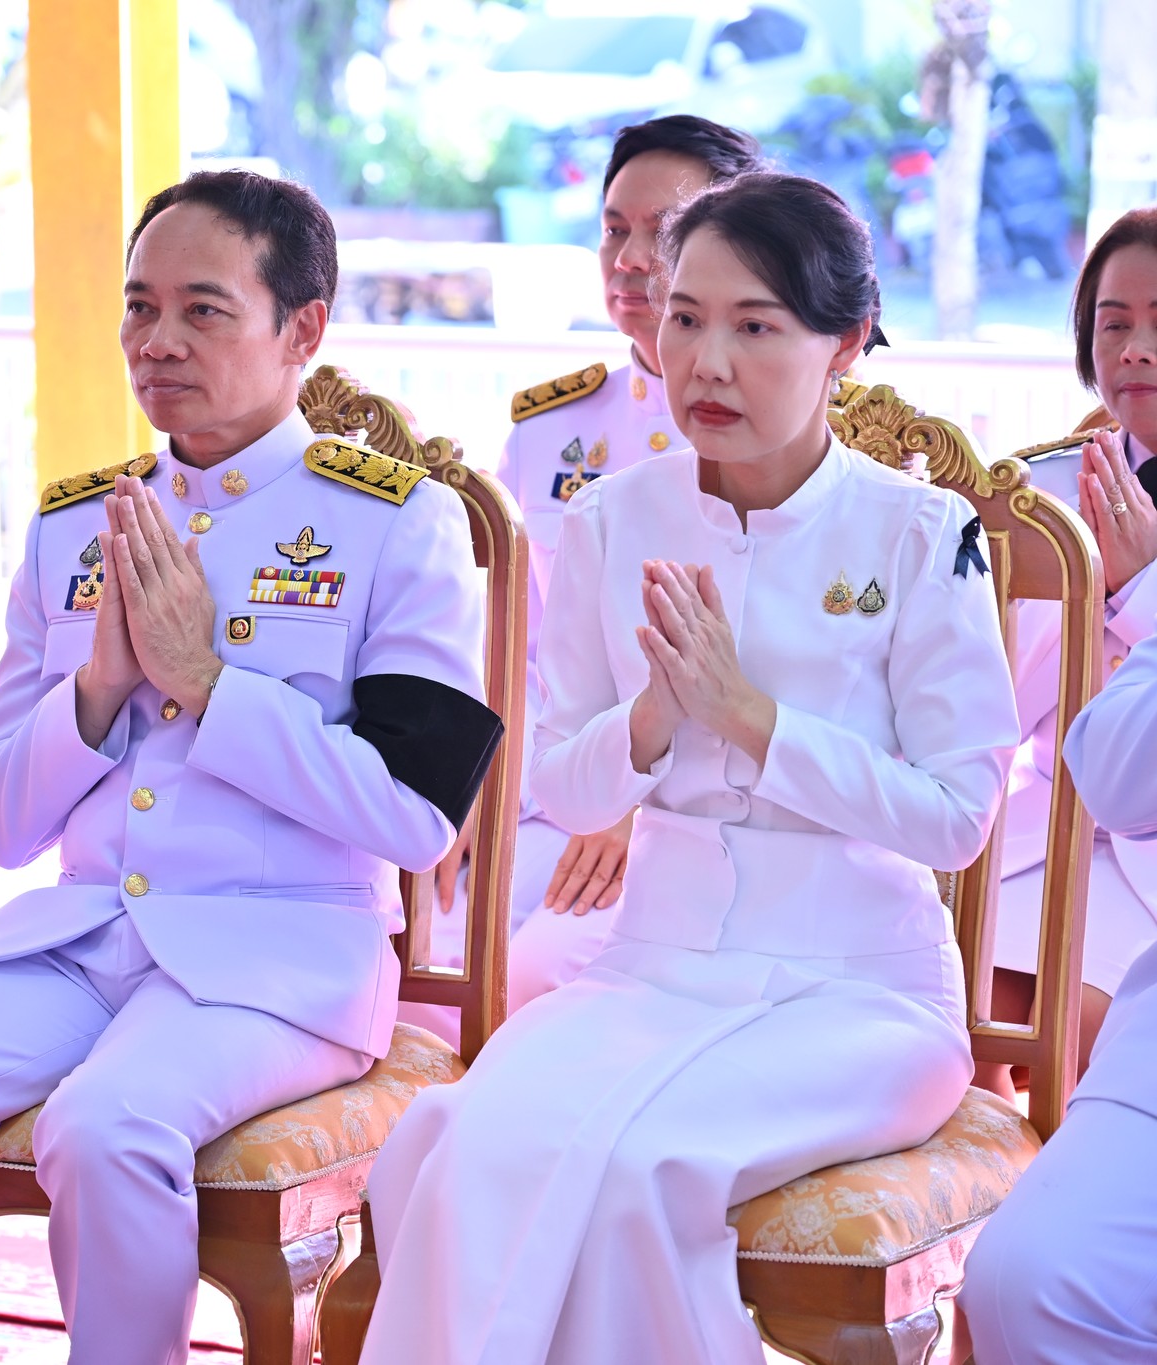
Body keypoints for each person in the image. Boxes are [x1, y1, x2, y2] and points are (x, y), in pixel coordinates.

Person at [0, 169, 499, 1365]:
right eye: (137, 307)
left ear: (298, 330)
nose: (155, 343)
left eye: (202, 310)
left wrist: (210, 687)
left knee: (106, 1127)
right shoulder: (72, 528)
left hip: (280, 959)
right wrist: (98, 689)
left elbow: (414, 819)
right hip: (80, 943)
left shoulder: (394, 523)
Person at [356, 173, 1019, 1365]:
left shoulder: (920, 535)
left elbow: (959, 818)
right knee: (451, 1140)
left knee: (638, 1173)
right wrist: (655, 722)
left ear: (844, 344)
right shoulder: (611, 519)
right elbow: (563, 783)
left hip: (856, 993)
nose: (703, 361)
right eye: (684, 317)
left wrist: (755, 720)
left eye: (753, 326)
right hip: (649, 969)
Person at [495, 115, 764, 1014]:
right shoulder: (549, 432)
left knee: (536, 980)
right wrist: (472, 795)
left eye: (666, 231)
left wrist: (625, 801)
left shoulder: (792, 430)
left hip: (701, 812)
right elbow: (513, 647)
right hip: (549, 796)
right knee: (420, 945)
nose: (632, 257)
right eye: (615, 228)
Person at [988, 207, 1157, 1091]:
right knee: (944, 1005)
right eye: (1114, 322)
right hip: (1043, 838)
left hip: (1148, 869)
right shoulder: (1046, 491)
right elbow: (994, 702)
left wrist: (1137, 591)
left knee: (1081, 1037)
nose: (1133, 349)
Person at [960, 628, 1157, 1364]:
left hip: (1132, 889)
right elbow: (1099, 761)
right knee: (1025, 1282)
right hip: (1028, 840)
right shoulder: (1043, 528)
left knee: (1073, 1019)